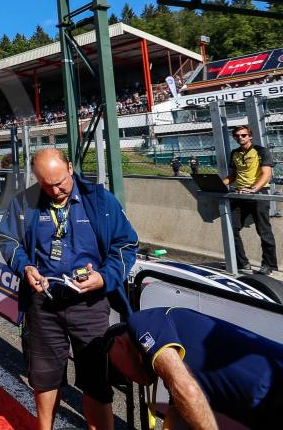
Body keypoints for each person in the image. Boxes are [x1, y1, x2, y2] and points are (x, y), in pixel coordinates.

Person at [0, 148, 138, 430]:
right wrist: (25, 268)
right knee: (45, 378)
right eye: (46, 184)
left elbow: (126, 245)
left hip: (90, 305)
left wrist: (104, 277)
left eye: (60, 181)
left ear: (71, 168)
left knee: (97, 382)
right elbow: (8, 239)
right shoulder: (24, 202)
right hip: (43, 304)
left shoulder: (100, 201)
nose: (55, 189)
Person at [105, 307, 283, 429]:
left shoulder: (143, 322)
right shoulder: (175, 368)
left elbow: (188, 391)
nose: (128, 379)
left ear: (120, 343)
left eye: (119, 371)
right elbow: (179, 418)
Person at [222, 125, 278, 275]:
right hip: (240, 194)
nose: (240, 138)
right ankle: (242, 263)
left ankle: (269, 265)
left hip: (258, 194)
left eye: (243, 135)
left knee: (264, 231)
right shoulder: (234, 153)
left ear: (250, 136)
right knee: (231, 228)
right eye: (237, 136)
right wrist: (218, 184)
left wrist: (254, 189)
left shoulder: (261, 151)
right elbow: (233, 176)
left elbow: (266, 174)